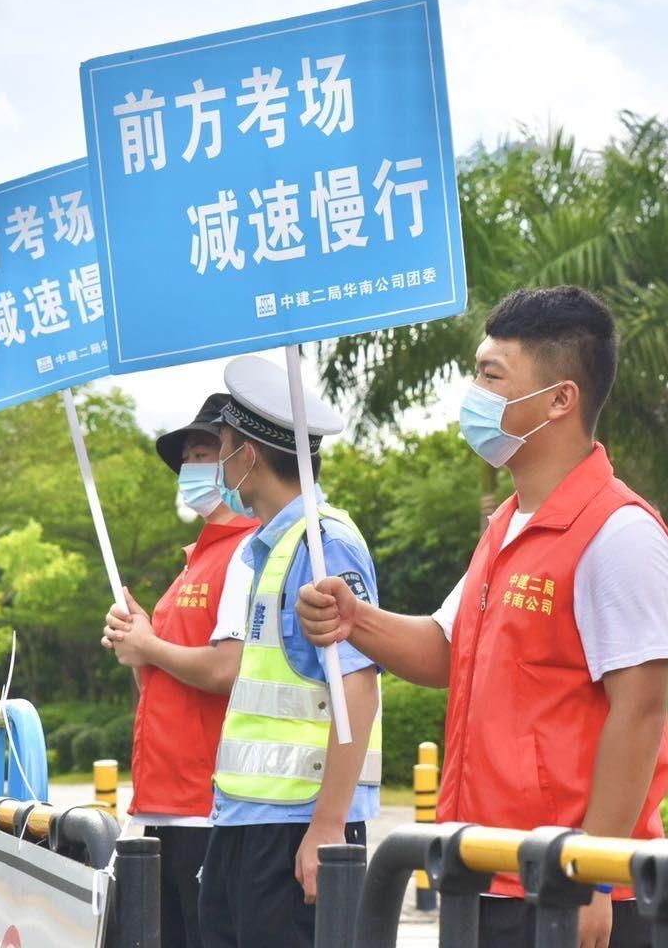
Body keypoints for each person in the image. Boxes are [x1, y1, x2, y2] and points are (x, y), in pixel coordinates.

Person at [298, 286, 668, 948]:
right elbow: (447, 650)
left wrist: (594, 875)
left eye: (490, 376)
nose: (473, 395)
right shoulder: (506, 524)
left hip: (566, 886)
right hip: (485, 869)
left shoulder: (619, 531)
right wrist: (356, 620)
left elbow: (641, 712)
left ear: (561, 399)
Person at [194, 355, 382, 948]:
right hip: (247, 819)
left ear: (248, 455)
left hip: (298, 828)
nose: (220, 462)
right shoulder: (269, 549)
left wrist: (327, 826)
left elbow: (357, 687)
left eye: (223, 447)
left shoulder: (325, 545)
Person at [101, 392, 260, 948]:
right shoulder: (196, 560)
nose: (192, 467)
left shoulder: (249, 551)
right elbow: (160, 680)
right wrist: (137, 645)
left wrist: (149, 645)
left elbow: (225, 670)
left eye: (203, 453)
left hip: (205, 804)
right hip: (161, 802)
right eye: (187, 457)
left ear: (241, 458)